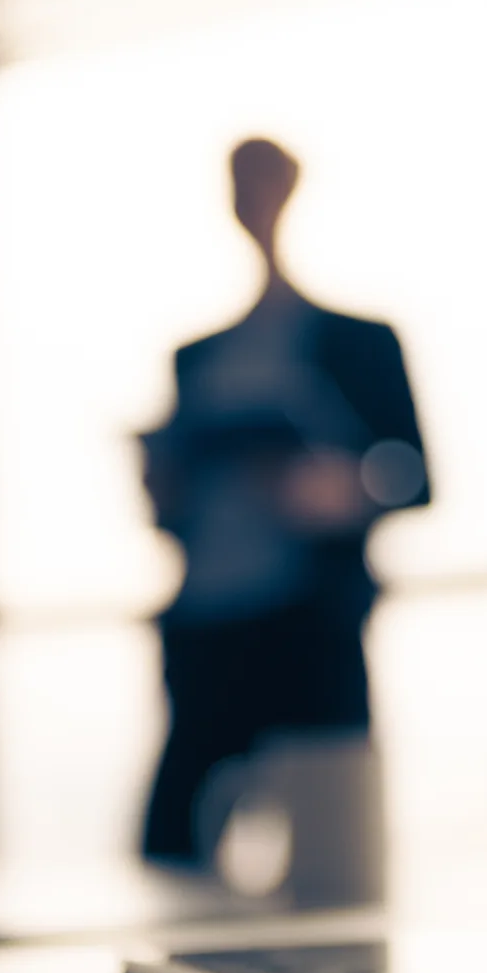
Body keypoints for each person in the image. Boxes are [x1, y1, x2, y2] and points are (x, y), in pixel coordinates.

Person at [141, 138, 430, 866]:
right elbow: (174, 506)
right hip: (209, 629)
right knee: (172, 845)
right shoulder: (197, 355)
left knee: (335, 852)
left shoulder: (358, 340)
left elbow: (414, 474)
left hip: (307, 627)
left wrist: (344, 487)